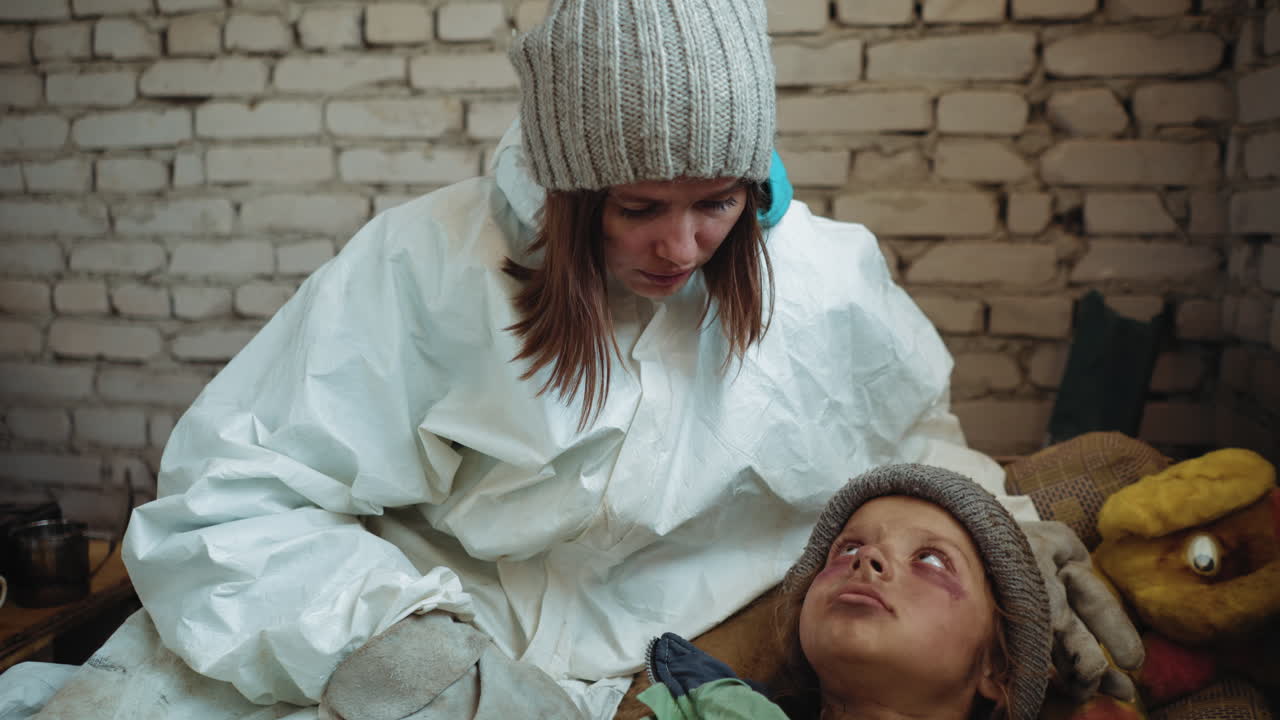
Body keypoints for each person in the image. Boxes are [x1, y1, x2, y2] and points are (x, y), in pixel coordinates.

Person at [13, 1, 1137, 718]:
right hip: (442, 635)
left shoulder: (827, 275)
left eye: (716, 202)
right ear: (563, 189)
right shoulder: (425, 264)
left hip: (692, 659)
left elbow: (910, 449)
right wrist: (399, 651)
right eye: (636, 208)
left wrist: (1001, 526)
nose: (680, 246)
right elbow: (228, 501)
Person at [633, 464, 1052, 720]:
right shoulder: (699, 702)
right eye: (848, 547)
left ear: (995, 666)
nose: (867, 557)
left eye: (931, 560)